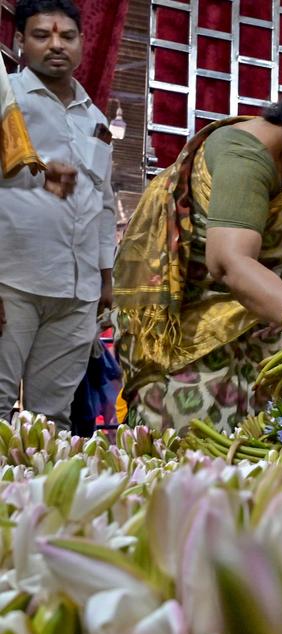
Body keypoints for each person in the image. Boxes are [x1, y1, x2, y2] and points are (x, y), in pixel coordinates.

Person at [112, 76, 282, 431]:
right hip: (191, 320)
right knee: (186, 435)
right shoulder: (246, 156)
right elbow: (229, 263)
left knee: (266, 439)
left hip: (265, 317)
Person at [0, 0, 115, 430]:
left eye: (67, 36)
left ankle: (41, 499)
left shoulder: (96, 118)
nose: (55, 45)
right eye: (41, 35)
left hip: (77, 292)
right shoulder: (5, 102)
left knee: (53, 420)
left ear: (83, 44)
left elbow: (103, 200)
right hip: (11, 282)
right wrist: (36, 176)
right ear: (20, 42)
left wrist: (105, 277)